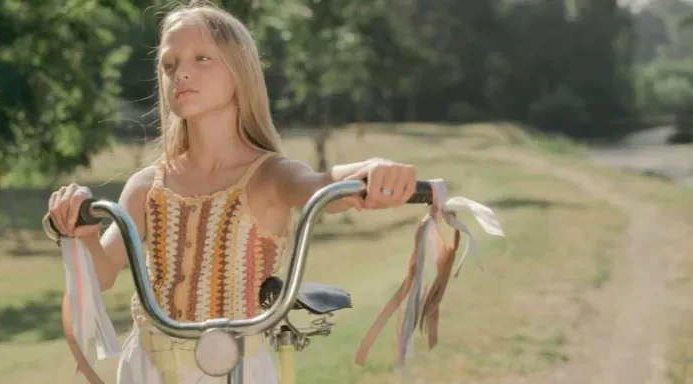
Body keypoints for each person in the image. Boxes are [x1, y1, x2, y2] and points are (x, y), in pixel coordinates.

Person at [45, 2, 418, 383]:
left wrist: (371, 171)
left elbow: (322, 187)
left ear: (240, 71)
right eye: (169, 65)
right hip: (147, 366)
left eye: (202, 58)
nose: (182, 73)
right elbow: (103, 273)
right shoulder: (147, 185)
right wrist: (86, 234)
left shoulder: (270, 175)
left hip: (233, 366)